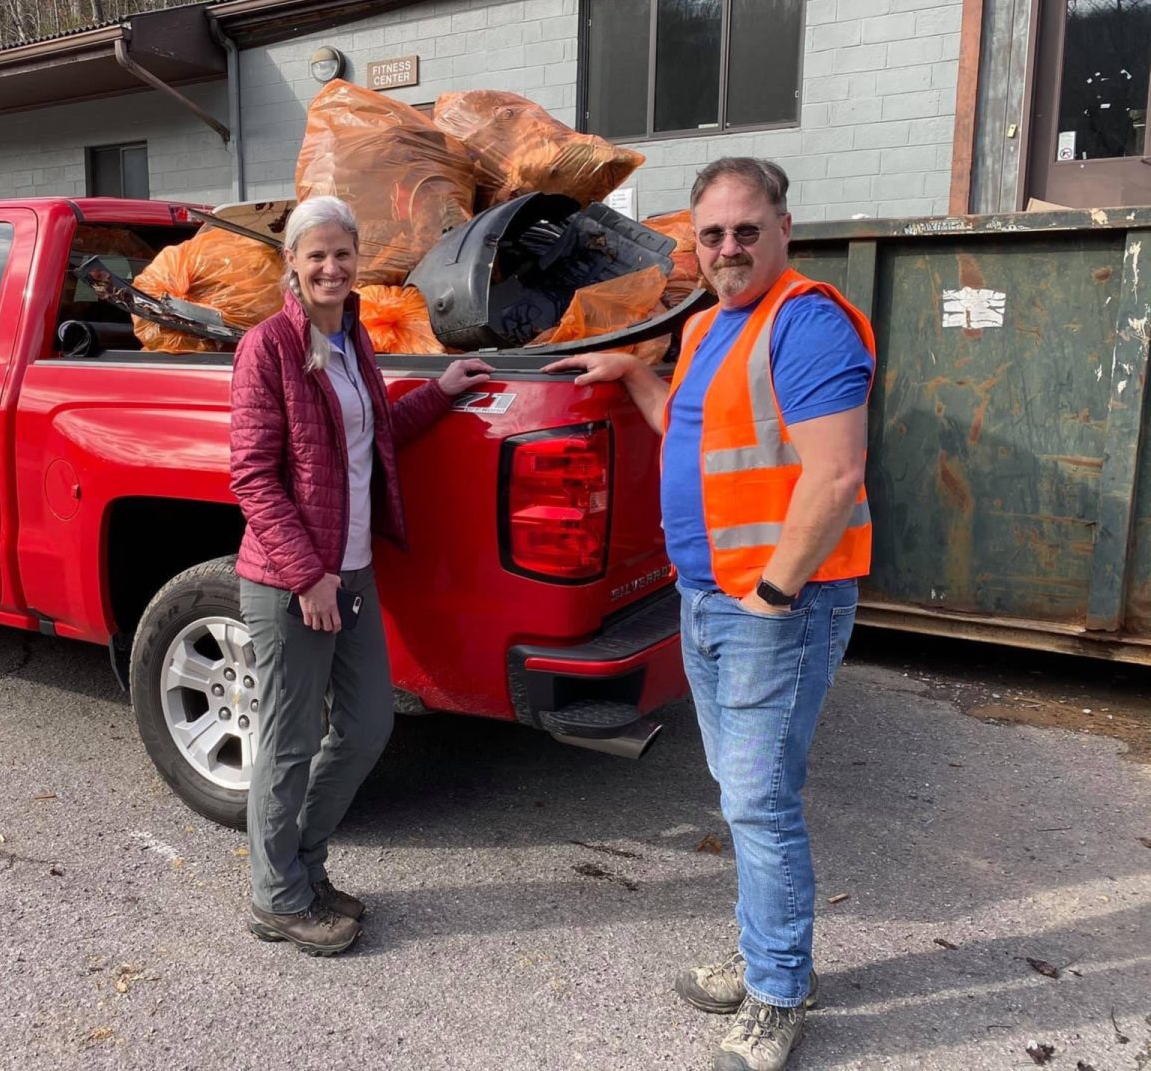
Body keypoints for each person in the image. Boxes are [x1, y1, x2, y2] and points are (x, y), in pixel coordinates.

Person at [546, 158, 875, 1071]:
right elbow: (692, 428)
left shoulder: (804, 324)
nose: (727, 248)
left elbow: (836, 473)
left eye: (745, 230)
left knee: (759, 804)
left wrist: (771, 594)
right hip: (708, 598)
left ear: (783, 228)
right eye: (712, 234)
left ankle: (777, 991)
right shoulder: (709, 327)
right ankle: (767, 955)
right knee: (743, 801)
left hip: (776, 608)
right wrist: (629, 373)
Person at [229, 195, 493, 957]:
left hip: (352, 574)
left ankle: (303, 870)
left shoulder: (355, 339)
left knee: (370, 724)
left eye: (342, 253)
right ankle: (276, 897)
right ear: (293, 263)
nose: (330, 267)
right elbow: (251, 476)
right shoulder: (269, 347)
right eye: (315, 254)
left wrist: (439, 392)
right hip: (289, 585)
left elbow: (372, 439)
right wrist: (307, 575)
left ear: (357, 262)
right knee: (285, 743)